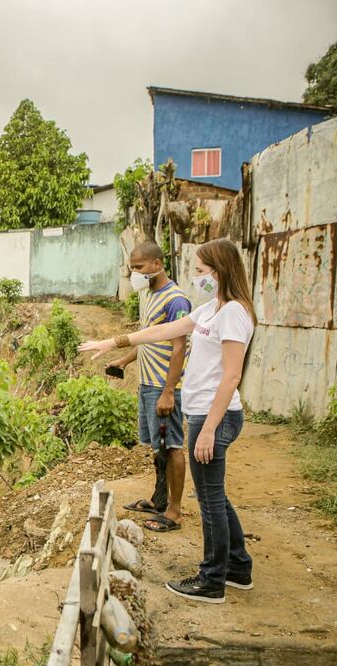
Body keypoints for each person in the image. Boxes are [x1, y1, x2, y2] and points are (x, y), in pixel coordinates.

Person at [79, 239, 256, 604]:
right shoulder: (210, 310)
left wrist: (208, 429)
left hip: (215, 416)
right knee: (215, 495)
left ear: (220, 272)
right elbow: (164, 331)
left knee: (209, 499)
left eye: (201, 271)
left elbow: (232, 376)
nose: (196, 277)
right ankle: (238, 567)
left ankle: (212, 580)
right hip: (203, 413)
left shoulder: (234, 313)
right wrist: (114, 342)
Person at [109, 242, 190, 534]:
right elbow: (147, 339)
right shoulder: (149, 296)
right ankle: (159, 499)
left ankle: (175, 511)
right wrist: (125, 360)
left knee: (172, 446)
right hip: (147, 384)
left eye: (139, 267)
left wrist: (169, 391)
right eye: (132, 268)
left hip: (162, 386)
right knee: (157, 446)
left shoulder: (176, 300)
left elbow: (179, 348)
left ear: (157, 264)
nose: (135, 273)